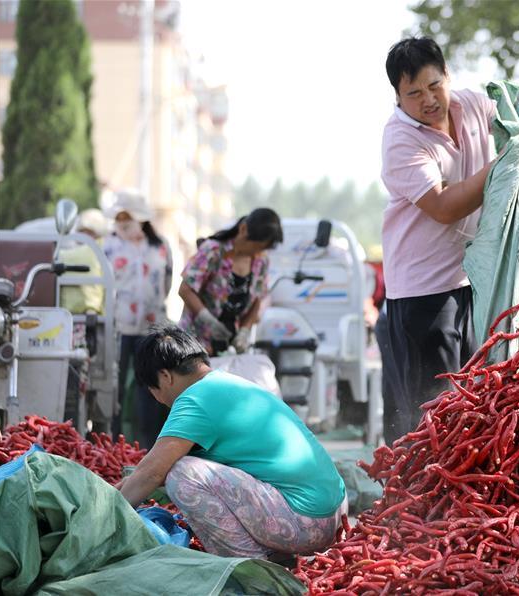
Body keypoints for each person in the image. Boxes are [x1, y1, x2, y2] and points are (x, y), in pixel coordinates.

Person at [380, 37, 519, 441]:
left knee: (473, 404)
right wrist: (504, 163)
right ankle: (416, 483)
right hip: (423, 292)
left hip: (471, 282)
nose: (428, 100)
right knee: (432, 416)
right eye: (414, 93)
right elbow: (444, 206)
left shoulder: (473, 105)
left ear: (448, 76)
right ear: (398, 97)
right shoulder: (400, 140)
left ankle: (459, 483)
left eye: (434, 85)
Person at [117, 324, 347, 559]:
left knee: (182, 474)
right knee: (179, 470)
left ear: (165, 376)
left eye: (152, 389)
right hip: (334, 515)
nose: (157, 398)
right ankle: (274, 556)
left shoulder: (195, 399)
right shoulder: (229, 384)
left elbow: (152, 473)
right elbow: (153, 470)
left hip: (306, 522)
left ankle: (251, 568)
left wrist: (109, 517)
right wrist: (129, 486)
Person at [103, 190, 173, 448]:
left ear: (140, 217)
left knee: (151, 388)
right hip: (118, 327)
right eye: (119, 216)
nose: (123, 221)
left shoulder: (159, 246)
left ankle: (149, 446)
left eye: (127, 216)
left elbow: (167, 281)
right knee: (115, 387)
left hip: (151, 327)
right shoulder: (108, 246)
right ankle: (112, 443)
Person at [178, 208, 282, 356]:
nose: (257, 253)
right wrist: (208, 320)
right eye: (256, 247)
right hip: (195, 341)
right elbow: (185, 289)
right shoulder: (213, 250)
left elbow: (257, 300)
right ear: (243, 229)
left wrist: (244, 331)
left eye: (262, 249)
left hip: (229, 346)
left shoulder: (261, 261)